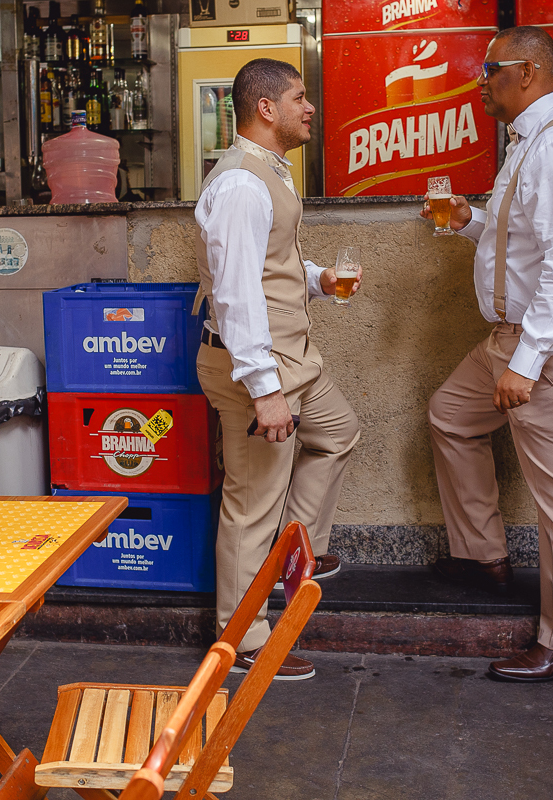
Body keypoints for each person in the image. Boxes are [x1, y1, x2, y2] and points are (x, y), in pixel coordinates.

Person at [420, 26, 553, 682]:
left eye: (491, 70)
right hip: (516, 336)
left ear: (528, 72)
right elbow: (523, 238)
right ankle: (482, 554)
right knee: (450, 414)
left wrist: (527, 363)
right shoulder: (529, 144)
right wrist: (466, 221)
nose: (481, 82)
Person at [195, 58, 361, 681]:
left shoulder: (267, 173)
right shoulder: (241, 184)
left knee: (338, 431)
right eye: (299, 97)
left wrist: (317, 279)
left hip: (293, 360)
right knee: (251, 501)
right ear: (265, 109)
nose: (309, 107)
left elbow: (268, 263)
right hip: (257, 367)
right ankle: (242, 637)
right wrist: (265, 392)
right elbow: (236, 294)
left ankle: (294, 558)